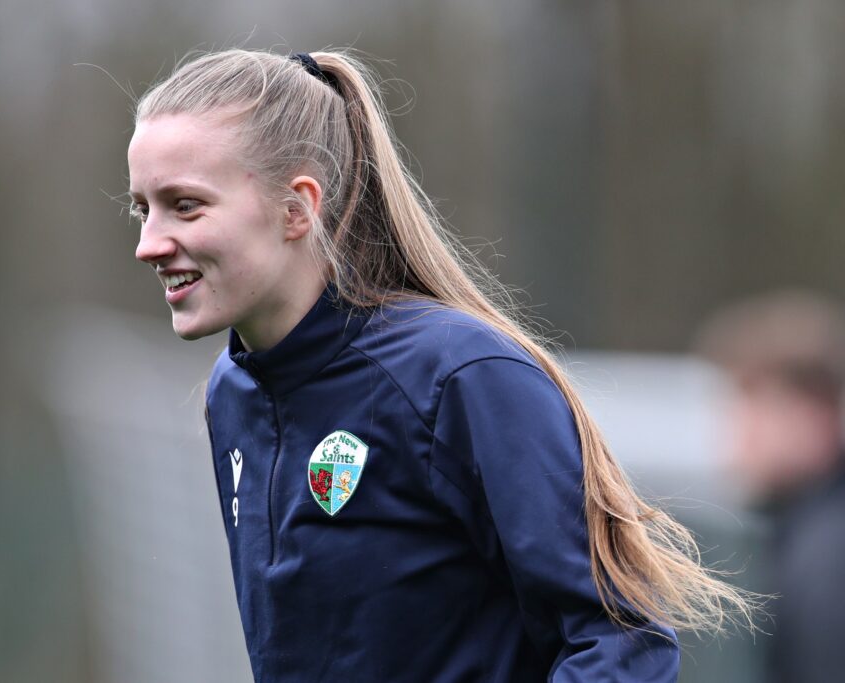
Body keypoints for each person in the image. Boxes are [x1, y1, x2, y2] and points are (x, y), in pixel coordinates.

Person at [126, 48, 755, 682]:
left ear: (297, 208)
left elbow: (623, 643)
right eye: (141, 208)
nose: (149, 243)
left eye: (185, 205)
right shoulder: (232, 393)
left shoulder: (459, 374)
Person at [696, 290, 845, 683]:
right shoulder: (799, 529)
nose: (738, 433)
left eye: (754, 404)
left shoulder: (827, 553)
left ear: (814, 415)